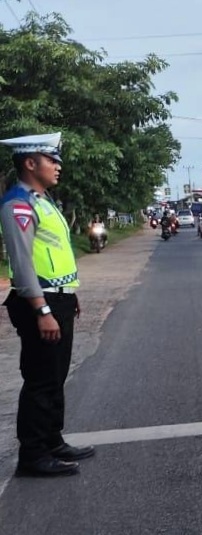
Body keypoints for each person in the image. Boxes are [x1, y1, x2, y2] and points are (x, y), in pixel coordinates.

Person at [0, 132, 95, 477]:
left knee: (55, 376)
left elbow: (55, 255)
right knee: (41, 379)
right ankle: (34, 455)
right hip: (38, 301)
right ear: (29, 163)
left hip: (58, 297)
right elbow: (23, 264)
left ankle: (53, 440)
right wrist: (42, 310)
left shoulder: (43, 201)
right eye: (51, 160)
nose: (57, 167)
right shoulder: (18, 204)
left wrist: (70, 293)